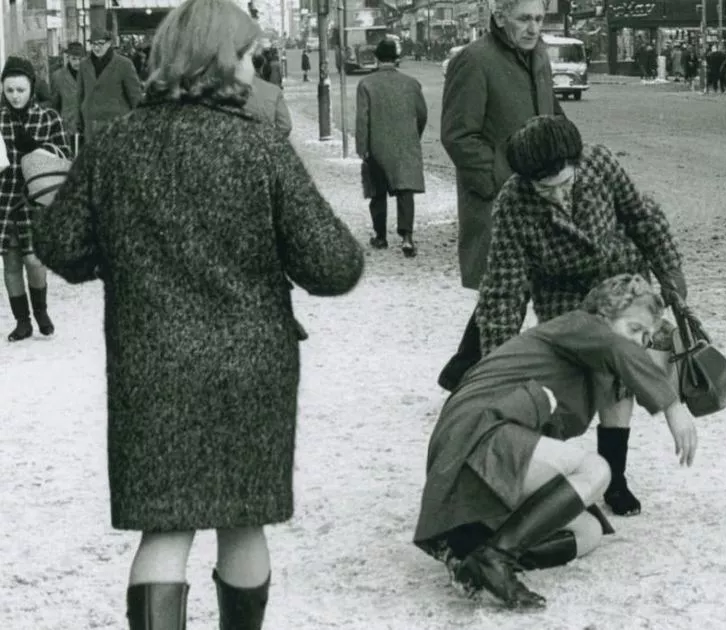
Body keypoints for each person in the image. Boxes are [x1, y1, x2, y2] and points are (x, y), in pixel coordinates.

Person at [33, 0, 365, 627]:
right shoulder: (258, 147)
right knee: (242, 522)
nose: (252, 66)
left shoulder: (115, 148)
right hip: (251, 369)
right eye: (245, 54)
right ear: (218, 60)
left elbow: (62, 249)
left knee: (163, 532)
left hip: (150, 370)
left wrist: (124, 253)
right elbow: (334, 265)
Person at [414, 273, 699, 610]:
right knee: (596, 470)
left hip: (489, 445)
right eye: (634, 329)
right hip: (476, 434)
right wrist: (672, 405)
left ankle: (472, 552)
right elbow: (616, 347)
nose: (639, 342)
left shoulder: (586, 357)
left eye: (647, 336)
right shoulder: (581, 324)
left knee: (588, 532)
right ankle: (496, 557)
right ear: (604, 316)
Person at [475, 115, 688, 517]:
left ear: (576, 164)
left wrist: (669, 272)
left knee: (618, 377)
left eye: (565, 184)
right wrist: (500, 358)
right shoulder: (512, 204)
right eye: (544, 189)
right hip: (564, 297)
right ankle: (556, 472)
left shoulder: (601, 163)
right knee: (568, 387)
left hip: (619, 280)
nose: (556, 196)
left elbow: (641, 216)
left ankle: (615, 477)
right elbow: (504, 287)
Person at [437, 0, 564, 392]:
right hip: (499, 200)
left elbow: (552, 114)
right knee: (506, 287)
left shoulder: (539, 56)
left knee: (517, 287)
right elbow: (458, 135)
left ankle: (465, 370)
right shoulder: (474, 60)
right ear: (499, 18)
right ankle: (474, 377)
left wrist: (568, 153)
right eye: (524, 19)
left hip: (540, 195)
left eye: (539, 19)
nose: (533, 28)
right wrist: (497, 182)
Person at [0, 56, 70, 343]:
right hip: (4, 199)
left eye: (21, 90)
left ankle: (41, 312)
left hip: (35, 199)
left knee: (34, 258)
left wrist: (39, 151)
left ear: (32, 88)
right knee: (11, 262)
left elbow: (65, 155)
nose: (15, 96)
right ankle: (22, 321)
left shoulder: (48, 117)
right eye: (9, 91)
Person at [356, 37, 426, 254]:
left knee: (377, 193)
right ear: (396, 59)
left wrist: (363, 148)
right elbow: (422, 114)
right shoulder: (412, 83)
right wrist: (414, 136)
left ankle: (380, 236)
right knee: (405, 191)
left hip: (377, 146)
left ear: (377, 58)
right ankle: (407, 238)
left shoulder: (366, 84)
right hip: (406, 144)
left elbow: (362, 120)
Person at [78, 29, 143, 144]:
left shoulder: (124, 64)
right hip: (91, 126)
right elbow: (80, 95)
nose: (96, 48)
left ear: (109, 43)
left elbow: (135, 96)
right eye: (93, 44)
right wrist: (78, 121)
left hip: (117, 126)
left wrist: (137, 123)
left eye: (100, 44)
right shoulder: (84, 65)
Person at [245, 51, 292, 136]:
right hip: (264, 141)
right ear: (262, 68)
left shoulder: (227, 89)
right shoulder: (274, 91)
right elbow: (286, 126)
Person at [49, 42, 85, 151]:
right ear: (68, 57)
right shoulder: (58, 77)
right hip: (67, 128)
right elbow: (54, 105)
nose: (77, 63)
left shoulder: (90, 75)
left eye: (80, 59)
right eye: (74, 59)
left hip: (87, 127)